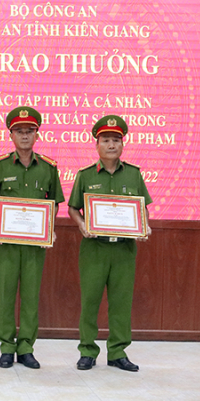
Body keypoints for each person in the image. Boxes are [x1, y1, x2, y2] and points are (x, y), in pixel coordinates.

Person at [0, 106, 64, 370]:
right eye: (19, 131)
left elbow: (54, 203)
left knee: (30, 295)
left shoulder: (49, 168)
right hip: (6, 244)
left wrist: (48, 226)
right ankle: (6, 347)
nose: (25, 136)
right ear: (11, 135)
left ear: (37, 134)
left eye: (30, 131)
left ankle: (26, 347)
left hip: (34, 244)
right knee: (6, 294)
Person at [68, 115, 152, 372]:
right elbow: (73, 208)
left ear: (123, 144)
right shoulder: (85, 175)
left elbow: (143, 208)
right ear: (97, 145)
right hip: (95, 249)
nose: (111, 144)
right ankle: (87, 351)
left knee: (121, 301)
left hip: (124, 249)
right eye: (106, 140)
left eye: (116, 139)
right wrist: (82, 225)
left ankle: (118, 352)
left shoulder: (135, 175)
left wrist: (145, 226)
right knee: (90, 300)